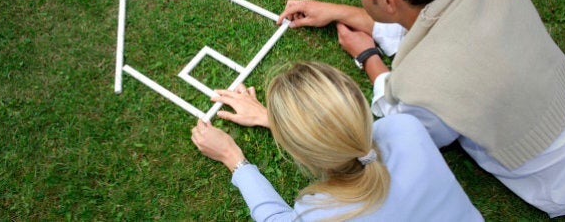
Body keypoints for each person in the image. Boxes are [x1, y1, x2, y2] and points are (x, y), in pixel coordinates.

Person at [277, 0, 565, 218]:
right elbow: (431, 21)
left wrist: (368, 55)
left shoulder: (423, 89)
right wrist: (337, 12)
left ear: (386, 1)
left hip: (559, 172)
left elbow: (401, 121)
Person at [191, 61, 483, 221]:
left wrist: (233, 157)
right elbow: (343, 134)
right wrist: (277, 119)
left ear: (302, 157)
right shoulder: (407, 128)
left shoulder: (321, 214)